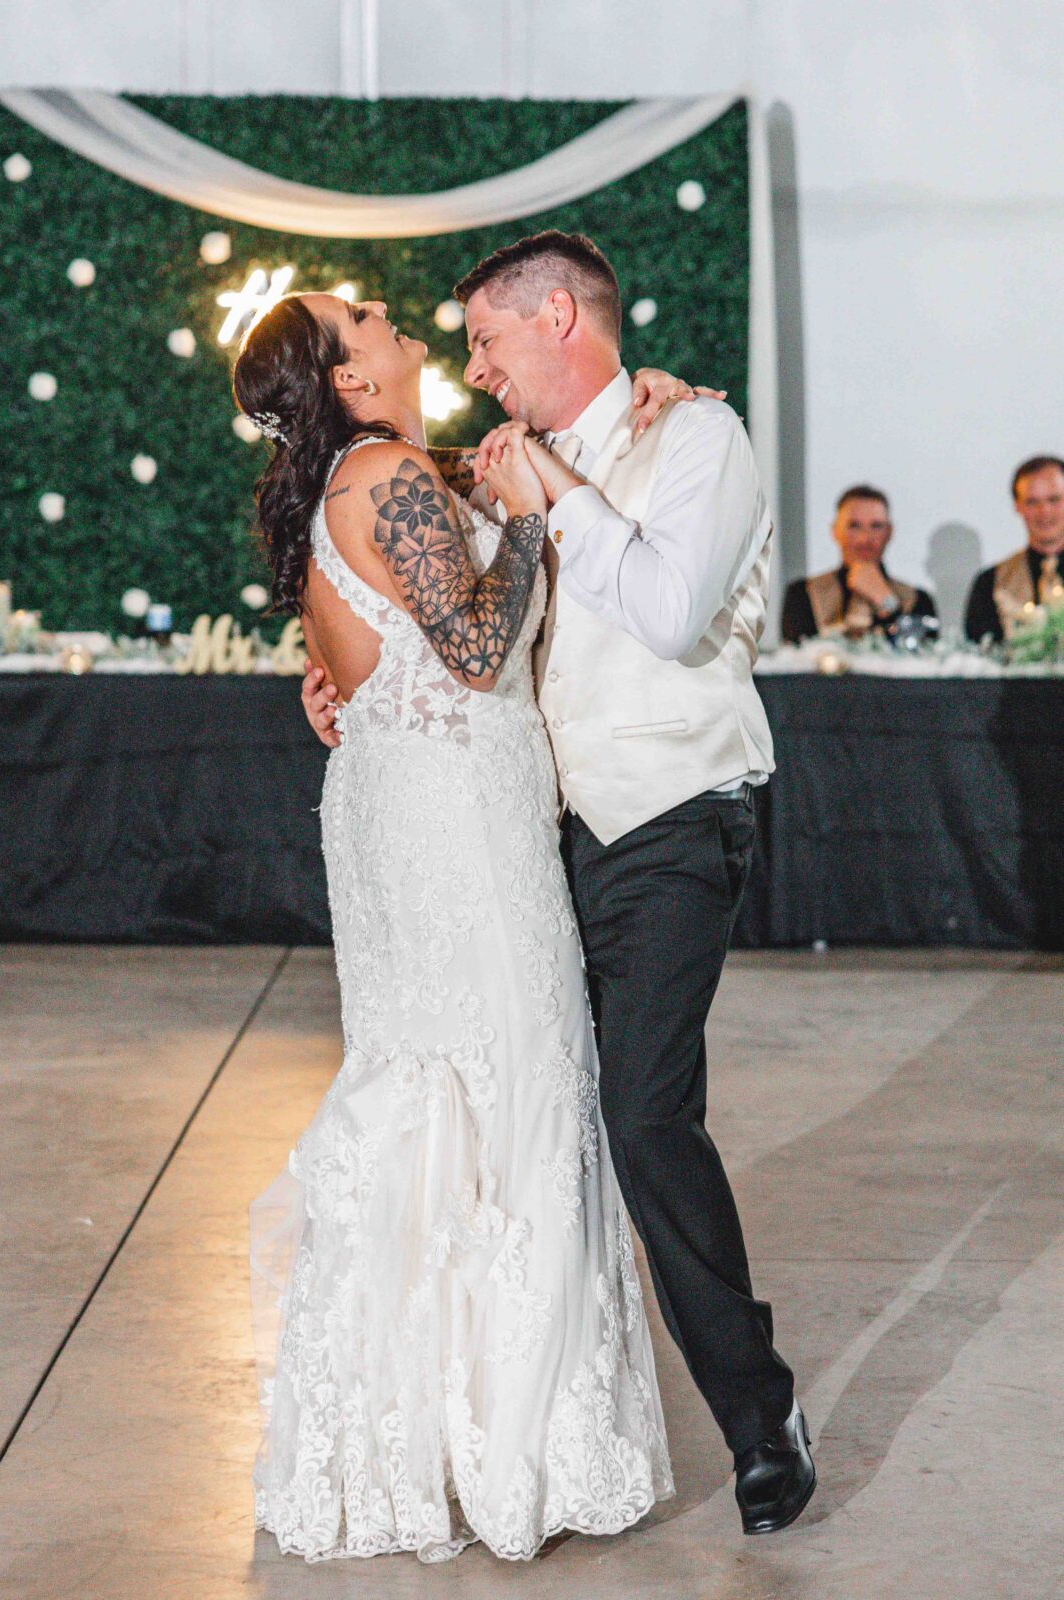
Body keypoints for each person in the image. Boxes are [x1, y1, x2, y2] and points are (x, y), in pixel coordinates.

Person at [304, 230, 816, 1539]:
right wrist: (346, 676)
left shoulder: (695, 438)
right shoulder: (496, 462)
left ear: (555, 318)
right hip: (537, 842)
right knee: (533, 1123)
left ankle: (759, 1419)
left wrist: (553, 491)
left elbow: (666, 609)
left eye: (485, 339)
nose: (473, 367)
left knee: (641, 1115)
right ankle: (508, 1421)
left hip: (670, 817)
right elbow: (431, 604)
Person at [235, 288, 676, 1564]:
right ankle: (513, 1444)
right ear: (349, 378)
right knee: (512, 1085)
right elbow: (479, 649)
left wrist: (655, 399)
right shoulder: (383, 475)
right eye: (363, 317)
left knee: (449, 1091)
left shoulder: (374, 476)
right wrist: (529, 524)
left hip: (410, 810)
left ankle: (430, 1431)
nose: (389, 314)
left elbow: (381, 652)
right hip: (457, 833)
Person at [782, 484, 938, 641]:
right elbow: (796, 651)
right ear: (835, 530)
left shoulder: (918, 599)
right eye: (854, 526)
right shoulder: (804, 594)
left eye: (876, 526)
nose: (865, 539)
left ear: (889, 532)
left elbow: (926, 650)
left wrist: (886, 601)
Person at [964, 455, 1064, 642]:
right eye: (1032, 502)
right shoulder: (990, 584)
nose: (1044, 511)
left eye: (1054, 499)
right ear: (1018, 506)